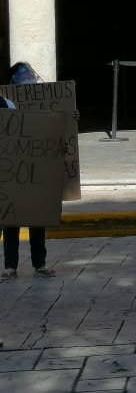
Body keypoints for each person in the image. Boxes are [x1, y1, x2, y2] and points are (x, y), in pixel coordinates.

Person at [1, 62, 57, 281]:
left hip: (35, 166)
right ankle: (10, 266)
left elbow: (55, 126)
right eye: (21, 76)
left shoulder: (42, 104)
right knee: (11, 221)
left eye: (28, 75)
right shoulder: (5, 103)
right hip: (11, 169)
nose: (27, 79)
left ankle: (39, 263)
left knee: (37, 217)